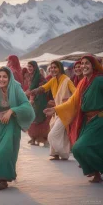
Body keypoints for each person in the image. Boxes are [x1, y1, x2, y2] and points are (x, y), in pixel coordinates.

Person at [44, 55, 103, 183]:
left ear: (93, 65)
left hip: (99, 120)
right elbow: (72, 102)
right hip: (87, 121)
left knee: (79, 147)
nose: (83, 66)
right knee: (82, 148)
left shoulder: (99, 81)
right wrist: (55, 109)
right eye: (82, 63)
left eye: (87, 63)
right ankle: (96, 173)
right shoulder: (83, 82)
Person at [31, 61, 76, 160]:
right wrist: (33, 91)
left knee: (52, 135)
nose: (52, 69)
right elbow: (44, 88)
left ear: (60, 68)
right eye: (51, 68)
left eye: (55, 67)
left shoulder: (67, 80)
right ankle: (55, 154)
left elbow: (76, 94)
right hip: (56, 111)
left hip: (65, 112)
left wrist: (67, 100)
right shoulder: (53, 80)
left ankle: (64, 154)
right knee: (58, 132)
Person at [24, 61, 50, 146]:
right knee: (32, 119)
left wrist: (24, 94)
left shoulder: (38, 76)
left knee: (39, 118)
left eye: (31, 66)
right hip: (34, 99)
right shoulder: (31, 76)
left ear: (35, 67)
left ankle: (43, 139)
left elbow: (33, 88)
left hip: (40, 100)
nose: (29, 68)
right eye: (28, 67)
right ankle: (33, 138)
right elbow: (31, 89)